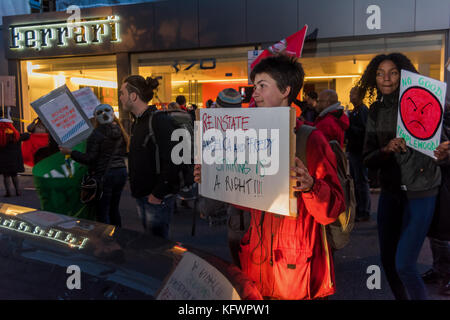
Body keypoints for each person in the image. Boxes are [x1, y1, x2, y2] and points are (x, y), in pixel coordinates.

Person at [194, 55, 345, 300]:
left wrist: (311, 186)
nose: (254, 93)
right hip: (257, 261)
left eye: (262, 85)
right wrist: (214, 176)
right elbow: (248, 197)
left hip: (295, 269)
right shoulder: (251, 134)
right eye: (254, 86)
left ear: (286, 90)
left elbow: (332, 210)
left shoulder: (310, 139)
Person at [360, 53, 441, 300]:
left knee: (404, 264)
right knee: (389, 261)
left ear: (403, 75)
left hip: (422, 192)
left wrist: (443, 152)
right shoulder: (374, 111)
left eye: (393, 72)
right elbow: (367, 158)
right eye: (380, 73)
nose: (386, 78)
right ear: (373, 78)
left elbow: (441, 148)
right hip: (391, 193)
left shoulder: (422, 101)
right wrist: (386, 149)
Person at [120, 75, 180, 239]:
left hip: (155, 197)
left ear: (133, 96)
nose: (120, 98)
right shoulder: (138, 121)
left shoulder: (158, 120)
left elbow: (174, 160)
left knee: (158, 245)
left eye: (122, 93)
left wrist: (157, 194)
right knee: (149, 241)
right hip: (143, 195)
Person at [59, 104, 128, 227]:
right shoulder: (121, 131)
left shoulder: (96, 134)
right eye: (100, 112)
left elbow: (89, 159)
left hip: (104, 175)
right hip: (121, 172)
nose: (103, 114)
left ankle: (106, 241)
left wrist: (70, 152)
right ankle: (118, 238)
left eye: (105, 111)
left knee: (103, 212)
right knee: (114, 208)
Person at [423, 101, 450, 296]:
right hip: (432, 183)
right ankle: (439, 269)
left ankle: (447, 274)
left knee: (443, 233)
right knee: (434, 231)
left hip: (446, 183)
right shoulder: (433, 122)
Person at [346, 86, 371, 222]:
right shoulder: (355, 111)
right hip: (354, 150)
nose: (350, 96)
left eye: (352, 93)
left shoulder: (362, 111)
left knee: (361, 182)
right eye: (350, 93)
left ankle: (364, 211)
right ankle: (360, 209)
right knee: (356, 182)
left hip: (360, 151)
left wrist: (348, 125)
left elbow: (364, 131)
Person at [0, 113, 29, 197]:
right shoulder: (16, 135)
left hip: (3, 160)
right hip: (15, 159)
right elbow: (26, 136)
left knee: (6, 176)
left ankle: (8, 192)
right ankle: (17, 191)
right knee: (14, 175)